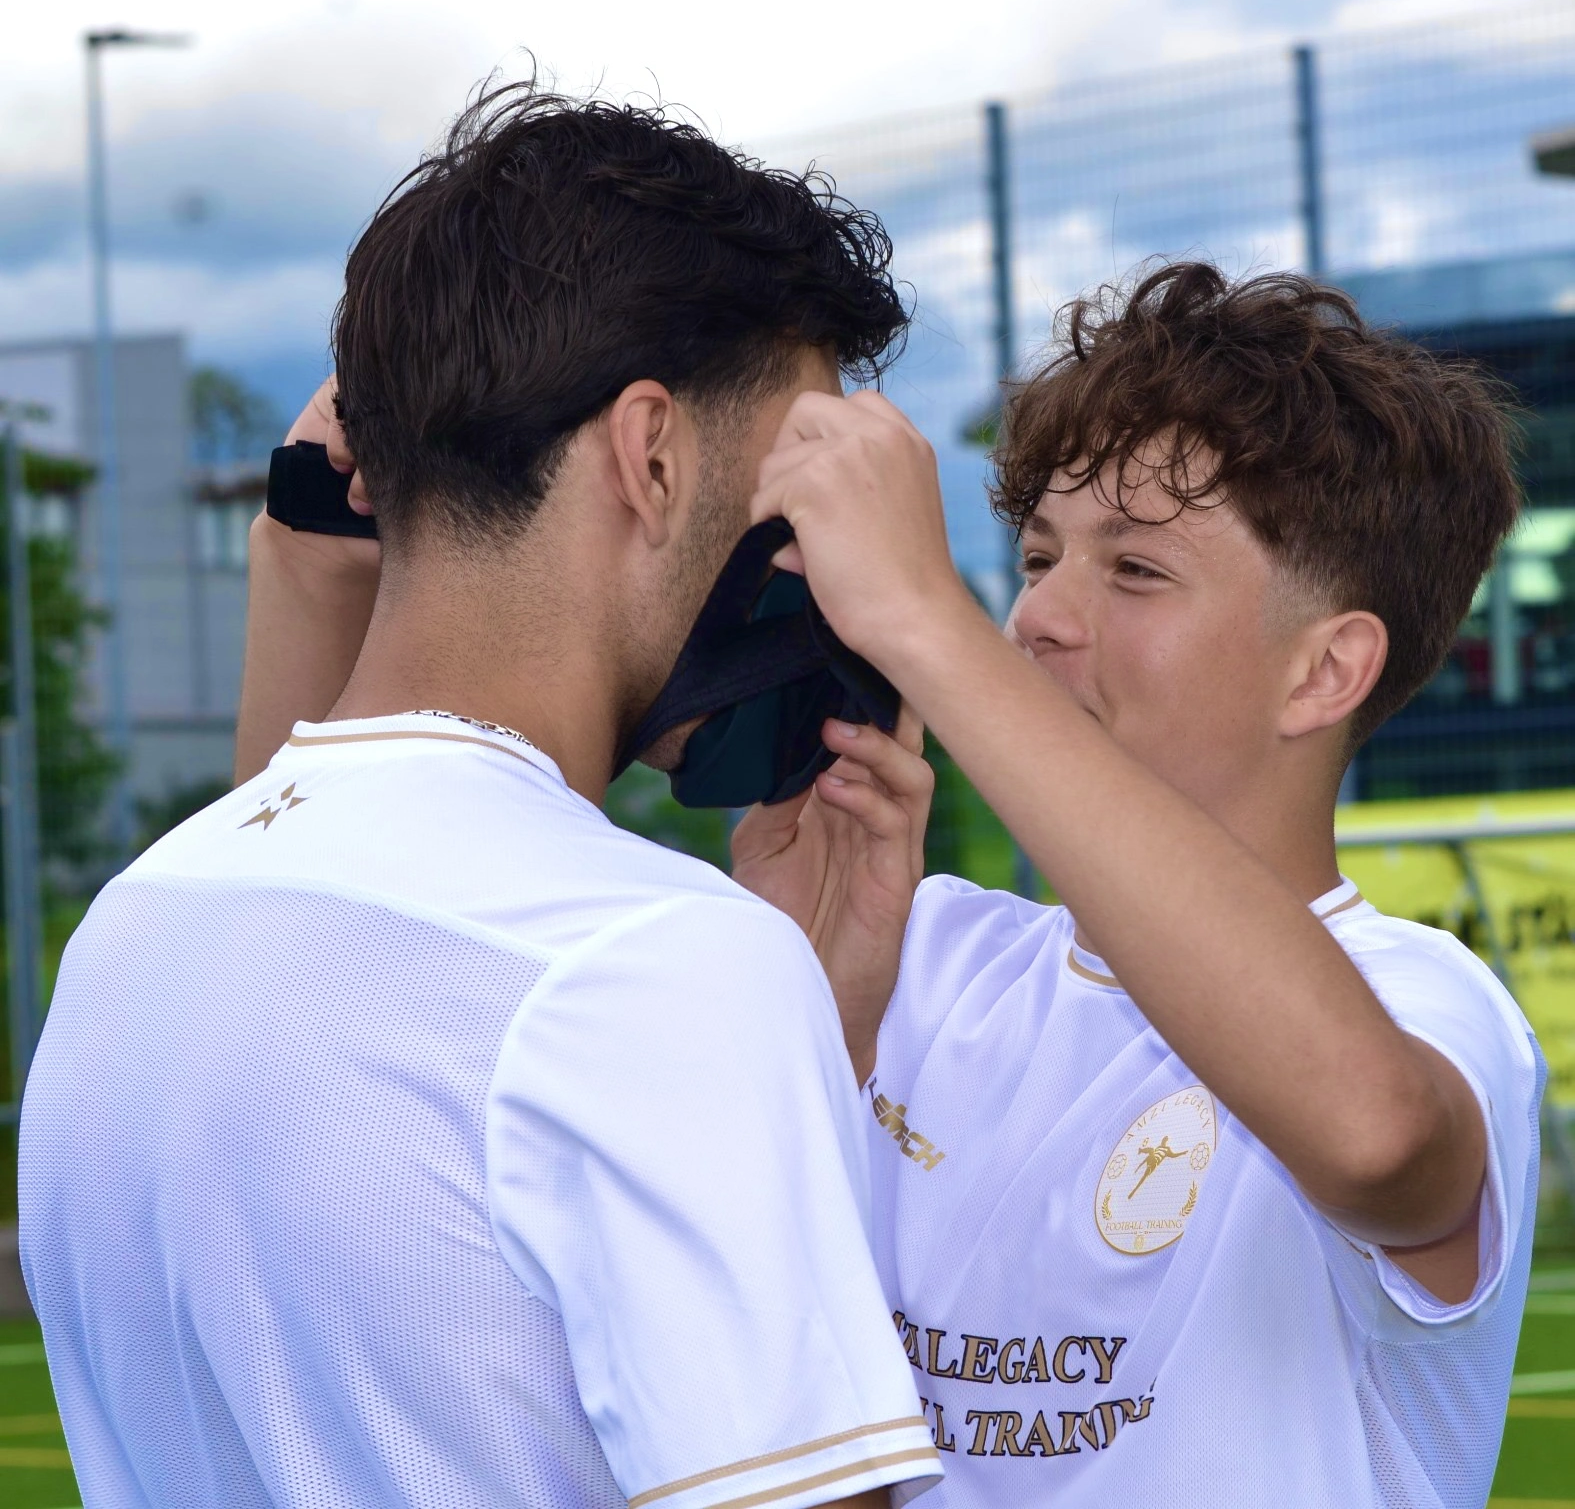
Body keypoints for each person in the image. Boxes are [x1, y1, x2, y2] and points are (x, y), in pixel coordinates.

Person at [241, 260, 1542, 1508]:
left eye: (1134, 569)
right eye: (1036, 560)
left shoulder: (1418, 1003)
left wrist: (923, 620)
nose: (1040, 616)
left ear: (1324, 672)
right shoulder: (925, 950)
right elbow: (325, 1007)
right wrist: (309, 566)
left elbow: (1376, 1138)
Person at [17, 84, 947, 1509]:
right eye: (805, 469)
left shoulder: (136, 928)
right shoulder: (652, 961)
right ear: (651, 455)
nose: (817, 546)